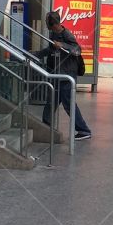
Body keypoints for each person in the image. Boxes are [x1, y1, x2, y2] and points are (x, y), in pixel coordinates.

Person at [39, 10, 92, 140]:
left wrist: (62, 45)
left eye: (47, 21)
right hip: (57, 74)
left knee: (69, 104)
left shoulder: (66, 34)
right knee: (51, 101)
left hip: (67, 75)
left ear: (53, 23)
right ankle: (45, 126)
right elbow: (50, 50)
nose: (45, 23)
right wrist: (36, 54)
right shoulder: (53, 34)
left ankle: (84, 130)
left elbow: (77, 50)